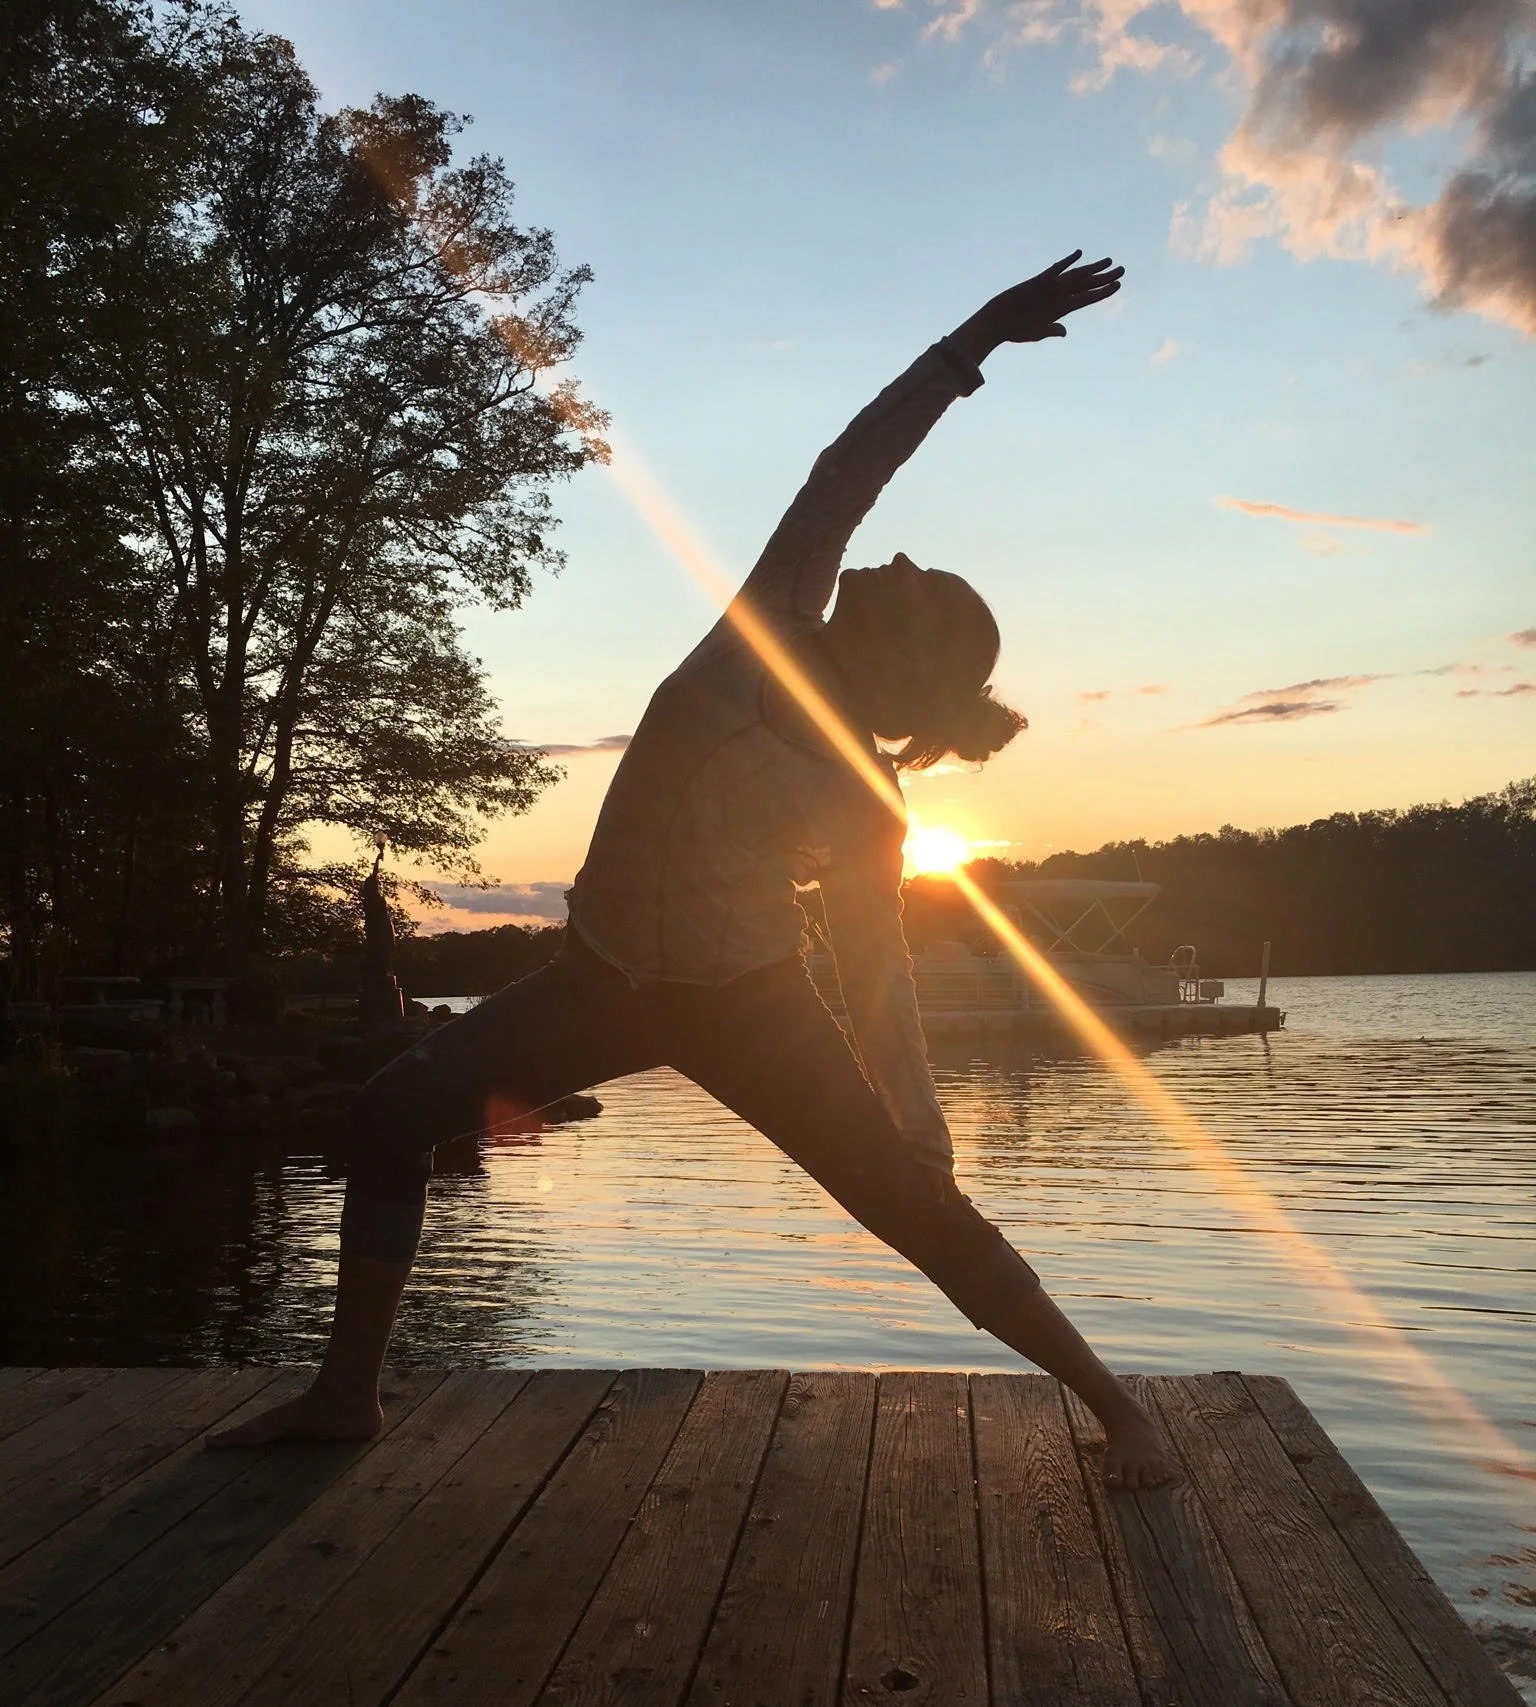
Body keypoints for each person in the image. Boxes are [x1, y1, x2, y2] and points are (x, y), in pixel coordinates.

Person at [212, 252, 1176, 1489]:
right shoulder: (761, 629)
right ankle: (346, 1396)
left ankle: (1121, 1409)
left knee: (914, 1212)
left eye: (912, 582)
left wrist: (920, 1141)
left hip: (757, 1006)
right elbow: (849, 473)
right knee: (388, 1114)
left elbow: (879, 976)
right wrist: (974, 337)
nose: (886, 564)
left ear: (907, 651)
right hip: (596, 982)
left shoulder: (869, 797)